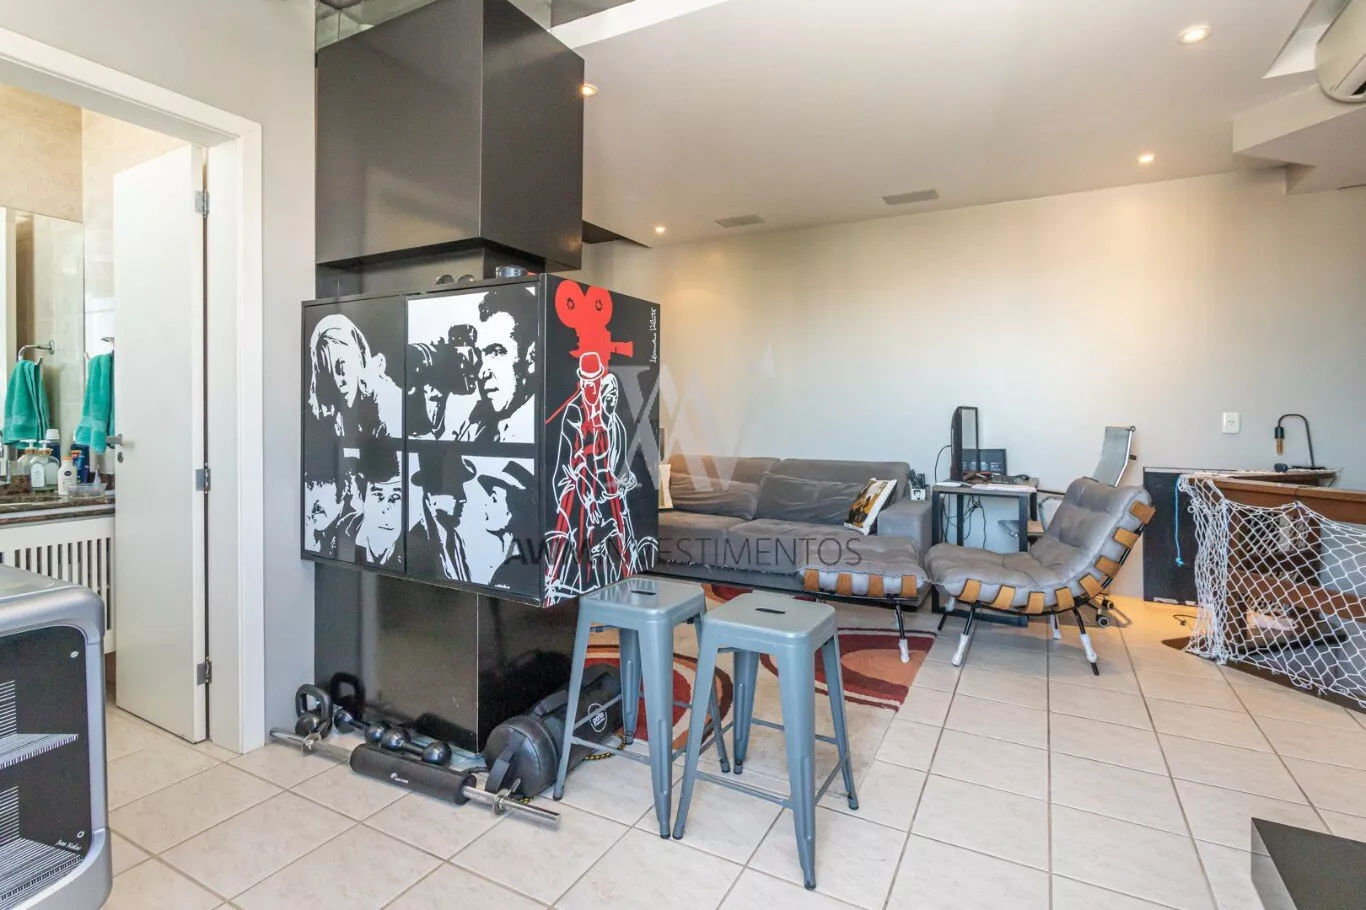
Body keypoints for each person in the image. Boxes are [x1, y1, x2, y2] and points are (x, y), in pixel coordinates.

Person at [309, 313, 402, 440]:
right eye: (328, 372)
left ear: (359, 360)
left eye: (342, 367)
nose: (338, 381)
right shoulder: (331, 418)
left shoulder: (387, 406)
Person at [463, 287, 537, 443]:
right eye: (480, 355)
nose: (482, 373)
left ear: (532, 356)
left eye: (496, 352)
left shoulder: (541, 429)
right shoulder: (475, 423)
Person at [465, 461, 538, 592]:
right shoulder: (469, 545)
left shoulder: (521, 564)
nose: (486, 504)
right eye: (488, 494)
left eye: (494, 497)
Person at [407, 449, 474, 581]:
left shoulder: (454, 538)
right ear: (431, 498)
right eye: (453, 490)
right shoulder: (418, 543)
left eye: (460, 488)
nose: (463, 499)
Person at [355, 450, 404, 569]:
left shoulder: (413, 549)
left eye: (395, 497)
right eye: (377, 494)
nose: (386, 508)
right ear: (362, 496)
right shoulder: (341, 534)